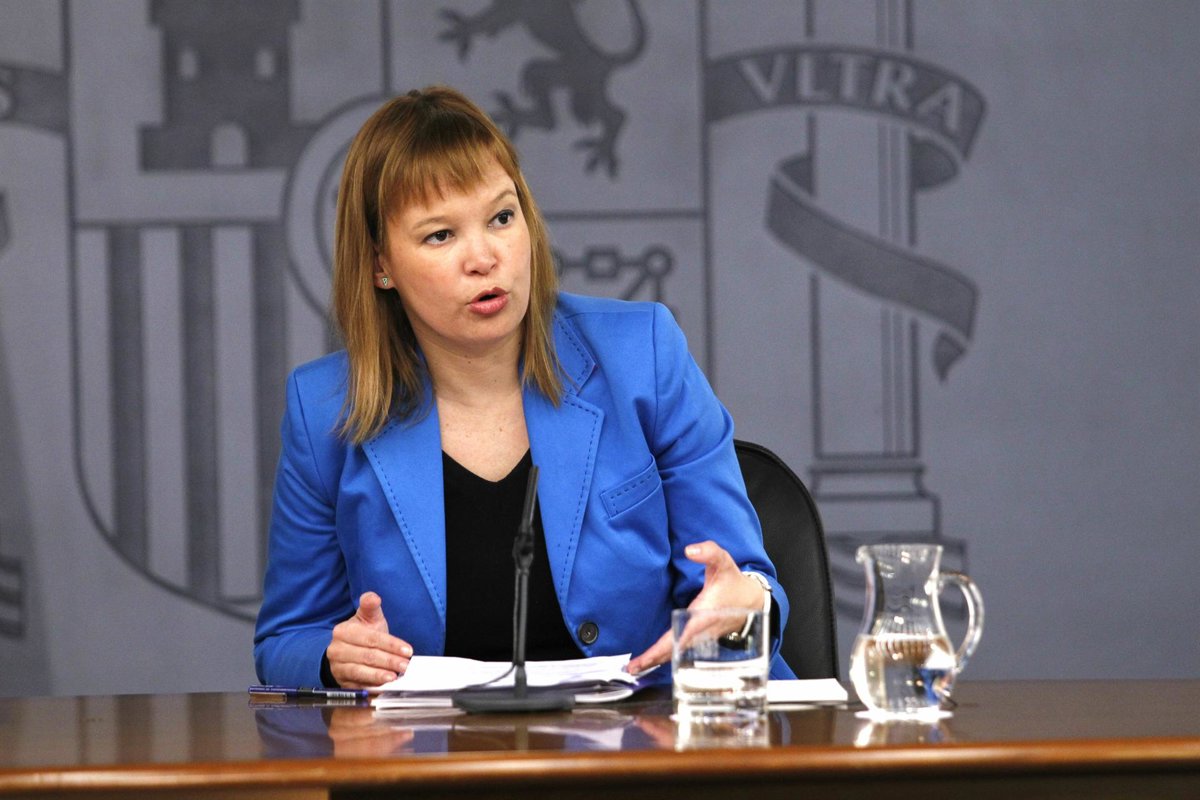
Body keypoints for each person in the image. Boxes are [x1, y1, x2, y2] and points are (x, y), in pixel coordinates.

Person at [253, 86, 795, 689]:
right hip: (436, 745)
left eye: (501, 218)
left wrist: (743, 605)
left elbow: (745, 580)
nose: (484, 257)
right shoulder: (325, 409)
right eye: (440, 235)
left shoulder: (641, 354)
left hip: (652, 731)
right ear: (381, 264)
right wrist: (335, 657)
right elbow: (287, 639)